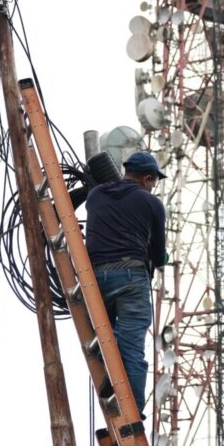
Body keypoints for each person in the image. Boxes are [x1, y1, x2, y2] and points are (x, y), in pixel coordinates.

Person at [85, 151, 167, 416]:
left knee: (102, 339)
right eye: (153, 181)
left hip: (94, 279)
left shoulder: (95, 196)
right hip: (131, 277)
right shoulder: (151, 203)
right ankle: (132, 414)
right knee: (131, 347)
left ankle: (111, 378)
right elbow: (158, 256)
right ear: (147, 178)